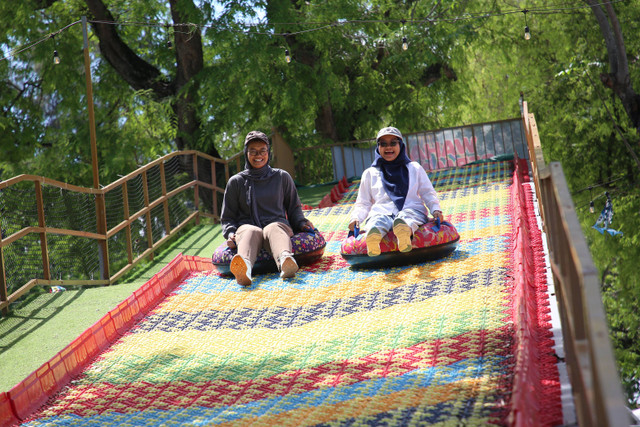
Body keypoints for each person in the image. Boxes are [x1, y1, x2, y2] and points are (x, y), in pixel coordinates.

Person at [221, 130, 314, 286]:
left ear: (268, 153)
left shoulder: (282, 177)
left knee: (273, 228)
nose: (258, 155)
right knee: (251, 230)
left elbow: (294, 208)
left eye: (262, 150)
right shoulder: (236, 182)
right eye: (253, 151)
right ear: (246, 153)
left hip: (277, 225)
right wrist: (230, 233)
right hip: (248, 228)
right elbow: (228, 217)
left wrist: (301, 223)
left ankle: (285, 261)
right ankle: (244, 268)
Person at [348, 126, 444, 257]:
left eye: (393, 143)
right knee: (377, 221)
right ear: (378, 147)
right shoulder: (370, 173)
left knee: (406, 218)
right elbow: (363, 203)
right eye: (383, 144)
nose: (388, 148)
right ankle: (373, 239)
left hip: (411, 210)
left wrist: (436, 209)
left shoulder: (414, 168)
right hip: (382, 212)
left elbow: (428, 193)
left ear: (401, 145)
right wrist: (356, 218)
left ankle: (404, 233)